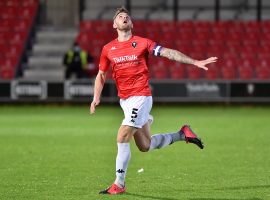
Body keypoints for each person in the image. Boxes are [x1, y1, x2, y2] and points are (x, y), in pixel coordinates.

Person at [90, 7, 217, 195]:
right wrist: (96, 97)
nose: (124, 17)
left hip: (141, 96)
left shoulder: (142, 43)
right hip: (125, 101)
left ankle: (119, 183)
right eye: (120, 16)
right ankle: (182, 134)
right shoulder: (108, 49)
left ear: (131, 24)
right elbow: (101, 74)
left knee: (122, 135)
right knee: (145, 146)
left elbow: (168, 53)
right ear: (114, 24)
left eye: (127, 16)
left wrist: (194, 62)